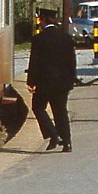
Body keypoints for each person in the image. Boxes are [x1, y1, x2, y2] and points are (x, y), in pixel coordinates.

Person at [27, 10, 77, 152]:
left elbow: (34, 62)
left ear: (43, 20)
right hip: (63, 82)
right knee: (60, 111)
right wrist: (72, 79)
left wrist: (31, 81)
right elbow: (72, 61)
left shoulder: (38, 39)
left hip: (44, 82)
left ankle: (53, 134)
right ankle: (67, 142)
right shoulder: (66, 38)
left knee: (38, 107)